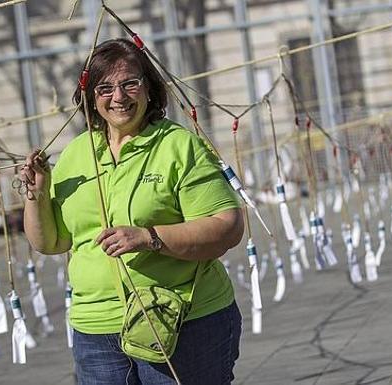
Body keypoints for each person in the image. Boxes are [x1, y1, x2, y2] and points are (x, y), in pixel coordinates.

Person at [22, 38, 244, 385]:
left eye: (130, 83)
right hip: (96, 330)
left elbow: (226, 226)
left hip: (180, 320)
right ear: (90, 97)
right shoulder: (77, 154)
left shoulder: (179, 146)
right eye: (105, 87)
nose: (119, 97)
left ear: (149, 88)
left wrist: (148, 237)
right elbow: (50, 242)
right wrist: (36, 196)